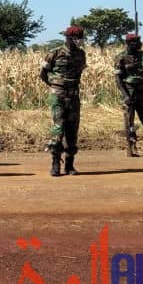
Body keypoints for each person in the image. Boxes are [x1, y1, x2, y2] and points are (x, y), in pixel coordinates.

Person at [40, 26, 86, 176]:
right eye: (76, 38)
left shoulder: (81, 54)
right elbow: (43, 74)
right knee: (58, 128)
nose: (79, 41)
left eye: (80, 38)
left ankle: (69, 165)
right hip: (58, 95)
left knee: (72, 129)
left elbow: (79, 73)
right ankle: (55, 164)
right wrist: (55, 86)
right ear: (68, 38)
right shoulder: (55, 53)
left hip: (74, 95)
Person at [115, 33, 143, 157]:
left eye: (138, 42)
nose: (138, 44)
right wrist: (125, 95)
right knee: (130, 122)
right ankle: (132, 146)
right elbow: (118, 78)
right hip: (129, 92)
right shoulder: (121, 57)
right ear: (128, 43)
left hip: (142, 93)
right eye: (134, 42)